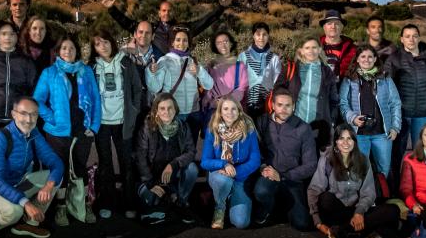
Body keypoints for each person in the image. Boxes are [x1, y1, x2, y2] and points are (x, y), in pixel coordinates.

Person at [0, 97, 65, 238]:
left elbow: (56, 163)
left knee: (54, 178)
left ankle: (30, 223)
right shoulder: (1, 137)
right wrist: (27, 203)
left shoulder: (34, 134)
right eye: (23, 113)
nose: (29, 119)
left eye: (33, 114)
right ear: (14, 114)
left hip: (17, 184)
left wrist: (49, 186)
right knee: (14, 210)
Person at [33, 34, 102, 225]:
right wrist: (52, 118)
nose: (68, 51)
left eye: (71, 48)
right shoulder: (50, 73)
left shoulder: (86, 71)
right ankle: (61, 208)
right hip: (57, 133)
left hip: (83, 131)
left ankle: (84, 205)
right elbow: (37, 100)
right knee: (60, 169)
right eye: (64, 48)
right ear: (58, 51)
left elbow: (96, 100)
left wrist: (94, 127)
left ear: (76, 51)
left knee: (80, 169)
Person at [308, 125, 402, 238]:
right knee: (325, 199)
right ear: (336, 141)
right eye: (341, 138)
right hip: (336, 212)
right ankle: (367, 230)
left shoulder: (363, 160)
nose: (345, 143)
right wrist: (318, 223)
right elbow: (314, 190)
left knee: (393, 210)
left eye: (350, 138)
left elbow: (368, 193)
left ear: (354, 141)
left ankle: (343, 231)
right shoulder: (326, 160)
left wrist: (359, 212)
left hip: (356, 210)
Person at [89, 28, 146, 218]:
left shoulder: (125, 63)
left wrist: (134, 110)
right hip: (102, 123)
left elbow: (138, 89)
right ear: (94, 48)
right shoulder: (91, 67)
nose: (102, 46)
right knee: (106, 164)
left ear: (111, 42)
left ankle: (129, 202)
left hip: (123, 121)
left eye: (105, 41)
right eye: (98, 44)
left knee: (126, 163)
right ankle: (108, 202)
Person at [386, 23, 426, 185]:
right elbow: (387, 87)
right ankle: (396, 188)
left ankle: (422, 187)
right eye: (407, 36)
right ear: (401, 39)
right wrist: (395, 110)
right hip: (402, 115)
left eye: (415, 36)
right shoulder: (394, 59)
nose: (411, 39)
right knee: (397, 154)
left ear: (419, 38)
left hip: (424, 115)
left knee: (424, 154)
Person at [252, 91, 318, 230]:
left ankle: (282, 208)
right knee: (261, 191)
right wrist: (263, 166)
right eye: (280, 105)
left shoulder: (303, 128)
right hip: (268, 175)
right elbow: (256, 150)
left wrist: (283, 176)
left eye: (288, 105)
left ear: (293, 106)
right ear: (273, 105)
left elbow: (311, 164)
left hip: (292, 179)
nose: (284, 109)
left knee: (302, 224)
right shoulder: (263, 122)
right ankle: (268, 208)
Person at [102, 0, 236, 55]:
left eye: (169, 10)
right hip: (156, 72)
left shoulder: (183, 29)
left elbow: (205, 21)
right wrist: (112, 9)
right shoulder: (150, 28)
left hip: (178, 73)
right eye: (164, 10)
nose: (166, 13)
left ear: (174, 13)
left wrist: (221, 7)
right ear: (159, 13)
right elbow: (128, 24)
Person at [339, 44, 402, 181]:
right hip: (359, 134)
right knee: (359, 168)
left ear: (375, 59)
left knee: (384, 168)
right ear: (357, 59)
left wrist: (395, 127)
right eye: (363, 56)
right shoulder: (350, 79)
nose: (366, 60)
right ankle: (362, 197)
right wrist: (353, 118)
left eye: (370, 57)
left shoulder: (385, 78)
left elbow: (395, 103)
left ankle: (381, 196)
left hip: (382, 133)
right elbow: (343, 103)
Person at [134, 93, 198, 224]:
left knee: (192, 169)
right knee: (152, 200)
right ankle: (167, 198)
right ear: (156, 111)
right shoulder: (147, 127)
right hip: (151, 176)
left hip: (172, 173)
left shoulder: (183, 127)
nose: (166, 112)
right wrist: (151, 183)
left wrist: (173, 164)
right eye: (162, 108)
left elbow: (191, 152)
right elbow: (140, 157)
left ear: (175, 110)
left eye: (170, 108)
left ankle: (181, 201)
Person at [199, 97, 261, 229]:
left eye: (234, 109)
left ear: (239, 111)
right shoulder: (212, 130)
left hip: (240, 177)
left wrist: (236, 172)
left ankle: (230, 195)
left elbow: (255, 160)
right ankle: (219, 207)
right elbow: (205, 162)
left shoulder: (249, 130)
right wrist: (224, 164)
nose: (229, 112)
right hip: (219, 175)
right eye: (225, 109)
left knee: (241, 222)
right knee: (224, 181)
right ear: (220, 112)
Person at [146, 27, 215, 140]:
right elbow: (154, 87)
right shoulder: (165, 61)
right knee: (176, 147)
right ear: (172, 42)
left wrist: (199, 71)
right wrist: (151, 72)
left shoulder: (193, 61)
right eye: (178, 40)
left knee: (191, 146)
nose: (181, 43)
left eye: (185, 40)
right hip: (174, 112)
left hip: (194, 112)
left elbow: (209, 85)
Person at [273, 37, 339, 150]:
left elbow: (334, 100)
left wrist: (331, 121)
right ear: (301, 51)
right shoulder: (291, 68)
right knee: (292, 156)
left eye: (314, 47)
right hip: (294, 123)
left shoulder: (327, 72)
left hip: (319, 126)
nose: (311, 51)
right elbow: (278, 89)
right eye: (307, 48)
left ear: (319, 50)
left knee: (316, 160)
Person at [239, 22, 282, 114]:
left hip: (267, 104)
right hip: (246, 103)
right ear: (253, 36)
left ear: (268, 36)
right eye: (258, 34)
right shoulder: (243, 56)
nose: (261, 38)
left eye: (264, 34)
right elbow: (239, 80)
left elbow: (276, 81)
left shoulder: (274, 58)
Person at [202, 29, 249, 113]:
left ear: (231, 43)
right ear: (215, 46)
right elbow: (208, 89)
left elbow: (241, 89)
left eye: (225, 42)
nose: (223, 46)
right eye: (219, 43)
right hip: (214, 109)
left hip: (232, 109)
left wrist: (224, 102)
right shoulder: (211, 65)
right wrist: (209, 102)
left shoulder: (240, 65)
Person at [319, 10, 358, 88]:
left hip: (344, 94)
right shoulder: (314, 47)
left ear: (342, 27)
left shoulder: (353, 49)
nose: (333, 26)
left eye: (337, 24)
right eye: (329, 24)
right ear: (324, 27)